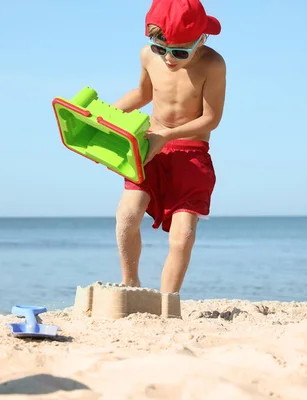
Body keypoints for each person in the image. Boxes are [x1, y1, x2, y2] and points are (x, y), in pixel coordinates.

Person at [112, 0, 226, 294]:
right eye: (161, 48)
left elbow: (211, 119)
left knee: (182, 236)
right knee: (127, 215)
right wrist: (104, 117)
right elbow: (142, 93)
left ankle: (167, 301)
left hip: (190, 155)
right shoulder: (149, 57)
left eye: (179, 52)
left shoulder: (212, 64)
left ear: (202, 39)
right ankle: (131, 284)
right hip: (151, 149)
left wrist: (169, 135)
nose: (169, 59)